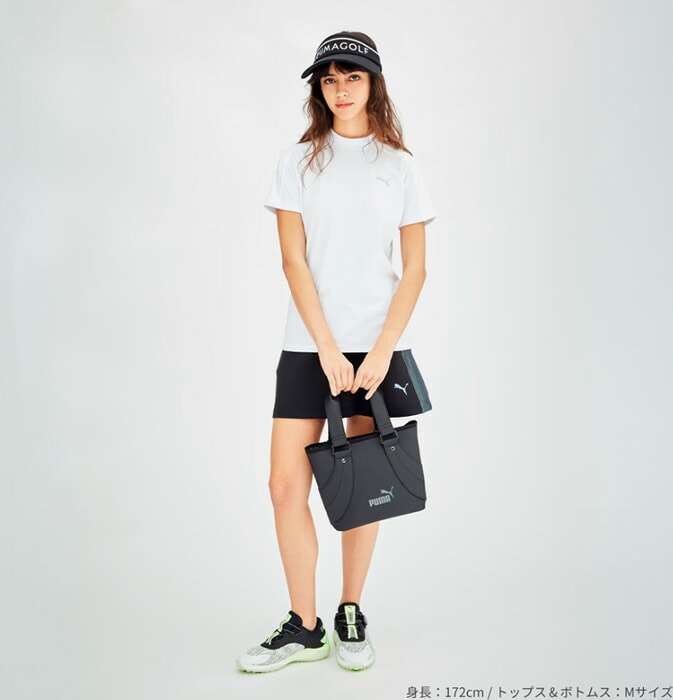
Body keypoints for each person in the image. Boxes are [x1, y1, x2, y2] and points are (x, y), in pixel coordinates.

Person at [236, 30, 436, 674]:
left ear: (373, 84)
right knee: (283, 487)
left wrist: (381, 350)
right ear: (318, 89)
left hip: (375, 349)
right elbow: (292, 260)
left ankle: (350, 610)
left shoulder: (398, 166)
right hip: (307, 346)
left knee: (362, 483)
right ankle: (305, 625)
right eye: (329, 79)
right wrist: (324, 345)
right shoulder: (297, 163)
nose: (341, 89)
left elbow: (414, 270)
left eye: (352, 77)